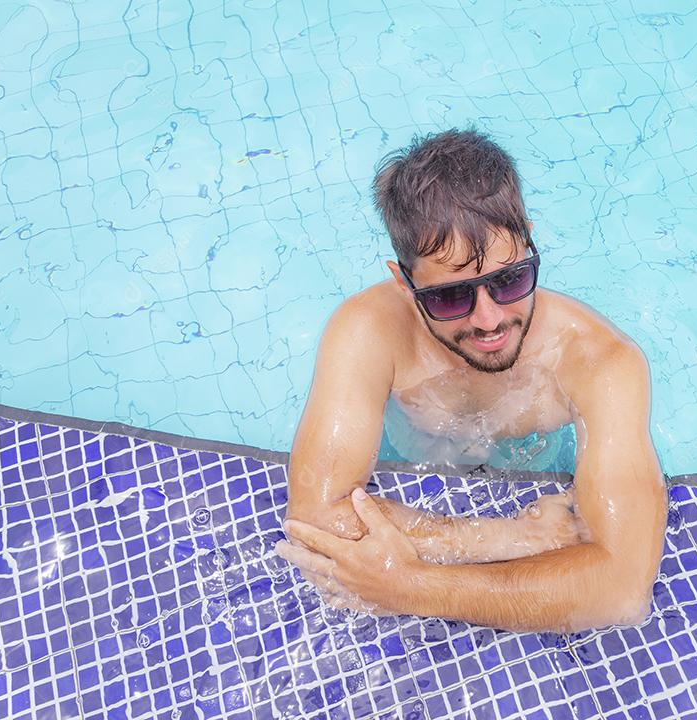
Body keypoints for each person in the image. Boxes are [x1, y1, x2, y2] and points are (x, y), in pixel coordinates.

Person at [274, 127, 667, 633]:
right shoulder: (369, 330)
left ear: (528, 238)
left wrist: (409, 586)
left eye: (510, 280)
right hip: (447, 482)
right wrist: (512, 539)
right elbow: (313, 520)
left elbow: (622, 590)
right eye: (450, 297)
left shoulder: (601, 363)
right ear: (405, 282)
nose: (488, 321)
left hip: (544, 469)